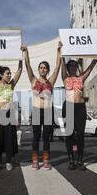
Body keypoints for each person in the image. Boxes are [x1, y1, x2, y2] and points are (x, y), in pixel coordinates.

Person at [22, 42, 62, 170]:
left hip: (48, 111)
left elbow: (57, 67)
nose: (43, 69)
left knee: (46, 138)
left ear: (47, 70)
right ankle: (35, 161)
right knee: (36, 137)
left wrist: (59, 51)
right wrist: (26, 52)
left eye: (45, 67)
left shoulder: (51, 81)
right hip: (36, 111)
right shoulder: (33, 80)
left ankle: (45, 161)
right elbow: (27, 66)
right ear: (38, 69)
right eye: (41, 67)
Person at [61, 58, 97, 171]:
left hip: (80, 107)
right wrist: (60, 52)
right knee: (69, 135)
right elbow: (62, 64)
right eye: (70, 65)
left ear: (76, 67)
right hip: (69, 107)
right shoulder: (65, 78)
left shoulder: (80, 78)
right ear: (68, 67)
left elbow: (90, 67)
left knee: (80, 135)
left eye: (74, 65)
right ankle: (71, 160)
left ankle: (80, 160)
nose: (72, 66)